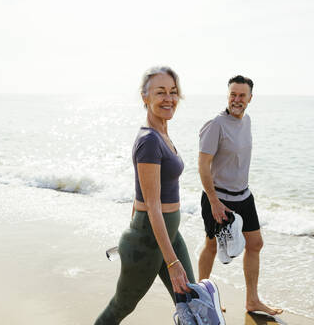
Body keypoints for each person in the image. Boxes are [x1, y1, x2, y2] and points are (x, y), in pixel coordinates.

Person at [94, 67, 195, 325]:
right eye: (160, 92)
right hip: (146, 242)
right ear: (145, 97)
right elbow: (152, 205)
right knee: (120, 307)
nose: (169, 98)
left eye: (173, 92)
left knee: (192, 303)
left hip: (166, 234)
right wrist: (172, 263)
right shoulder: (149, 140)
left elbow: (140, 192)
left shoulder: (162, 133)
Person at [197, 75, 283, 315]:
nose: (236, 99)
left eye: (241, 95)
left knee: (255, 244)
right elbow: (203, 165)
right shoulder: (216, 124)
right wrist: (213, 201)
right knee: (212, 246)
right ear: (227, 96)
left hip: (244, 195)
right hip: (219, 197)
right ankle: (202, 298)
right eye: (233, 94)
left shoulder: (247, 121)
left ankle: (252, 300)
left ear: (250, 99)